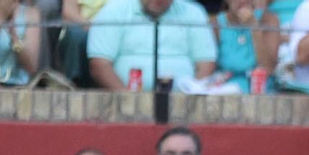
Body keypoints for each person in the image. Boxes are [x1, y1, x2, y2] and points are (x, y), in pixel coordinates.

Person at [87, 0, 218, 91]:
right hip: (123, 102)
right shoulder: (113, 11)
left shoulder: (193, 13)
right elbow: (100, 64)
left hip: (183, 104)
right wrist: (126, 99)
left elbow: (206, 63)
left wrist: (191, 96)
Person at [212, 0, 281, 92]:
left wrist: (254, 27)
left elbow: (269, 68)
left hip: (261, 90)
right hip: (225, 89)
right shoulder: (215, 24)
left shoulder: (268, 20)